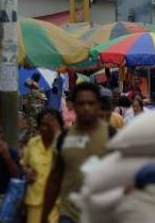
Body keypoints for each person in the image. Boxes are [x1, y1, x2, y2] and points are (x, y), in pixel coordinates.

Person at [42, 82, 114, 223]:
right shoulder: (63, 138)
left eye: (91, 103)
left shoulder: (112, 136)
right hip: (69, 215)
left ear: (98, 105)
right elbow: (54, 179)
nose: (86, 108)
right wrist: (44, 216)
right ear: (73, 106)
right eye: (81, 103)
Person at [22, 109, 64, 223]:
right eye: (43, 124)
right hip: (34, 200)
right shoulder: (33, 143)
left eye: (50, 124)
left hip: (58, 202)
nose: (46, 128)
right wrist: (26, 172)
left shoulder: (63, 144)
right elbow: (22, 164)